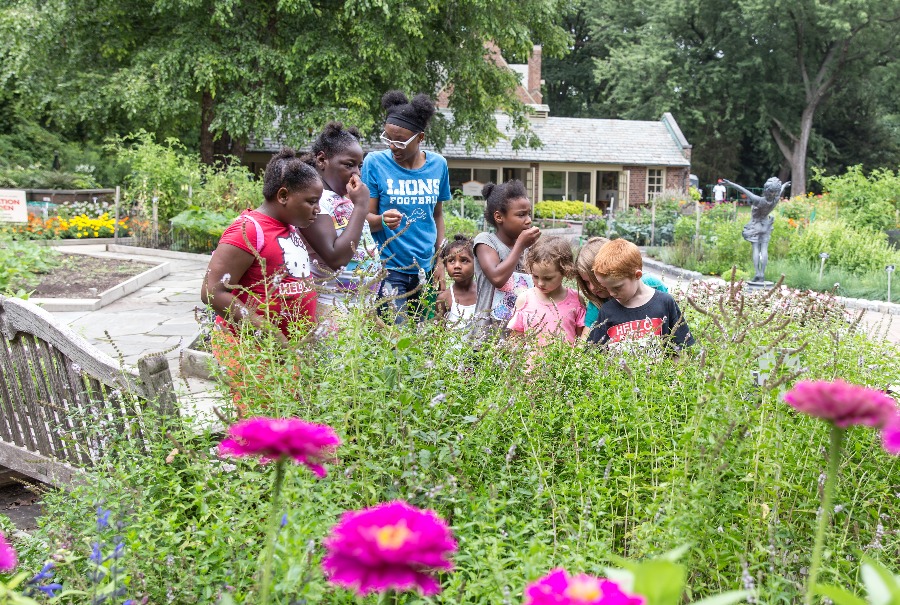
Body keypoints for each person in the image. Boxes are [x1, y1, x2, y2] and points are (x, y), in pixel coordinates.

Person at [202, 147, 322, 342]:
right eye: (312, 202)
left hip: (285, 355)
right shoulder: (248, 231)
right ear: (283, 196)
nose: (318, 209)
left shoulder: (289, 227)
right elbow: (212, 292)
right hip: (252, 355)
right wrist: (270, 333)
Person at [363, 90, 450, 323]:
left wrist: (439, 260)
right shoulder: (374, 163)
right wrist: (381, 220)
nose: (393, 146)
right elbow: (363, 219)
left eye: (401, 140)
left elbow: (438, 215)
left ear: (420, 138)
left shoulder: (438, 165)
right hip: (390, 270)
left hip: (426, 269)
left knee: (425, 339)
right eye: (388, 138)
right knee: (397, 341)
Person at [300, 121, 379, 316]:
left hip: (359, 308)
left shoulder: (345, 199)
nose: (357, 174)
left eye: (359, 166)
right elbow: (336, 258)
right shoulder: (314, 202)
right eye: (349, 165)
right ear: (321, 160)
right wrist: (361, 206)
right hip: (331, 307)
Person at [587, 239, 694, 351]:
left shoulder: (665, 302)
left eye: (617, 287)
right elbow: (596, 355)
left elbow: (681, 350)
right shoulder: (607, 310)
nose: (611, 293)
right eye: (606, 287)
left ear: (637, 275)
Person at [473, 180, 541, 331]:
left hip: (520, 333)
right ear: (499, 217)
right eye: (521, 215)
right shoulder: (486, 241)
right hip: (487, 333)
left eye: (529, 214)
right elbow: (497, 278)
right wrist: (520, 246)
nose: (528, 220)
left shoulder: (528, 247)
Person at [575, 237, 669, 333]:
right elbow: (586, 340)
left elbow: (671, 320)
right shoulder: (596, 302)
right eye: (586, 282)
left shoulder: (650, 284)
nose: (592, 287)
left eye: (595, 280)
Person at [507, 236, 585, 346]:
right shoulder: (524, 300)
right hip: (532, 363)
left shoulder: (576, 299)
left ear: (565, 271)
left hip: (565, 362)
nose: (540, 283)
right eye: (535, 276)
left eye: (548, 278)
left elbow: (580, 338)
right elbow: (516, 340)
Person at [722, 177, 790, 283]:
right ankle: (762, 274)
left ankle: (757, 272)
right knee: (764, 249)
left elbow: (743, 190)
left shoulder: (758, 200)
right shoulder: (775, 200)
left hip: (756, 225)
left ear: (766, 190)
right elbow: (779, 191)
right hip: (766, 224)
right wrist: (784, 185)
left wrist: (731, 184)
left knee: (756, 249)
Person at [435, 235, 476, 330]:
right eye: (451, 261)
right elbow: (437, 333)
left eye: (464, 260)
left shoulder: (483, 294)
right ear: (445, 265)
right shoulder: (444, 298)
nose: (457, 266)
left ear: (477, 263)